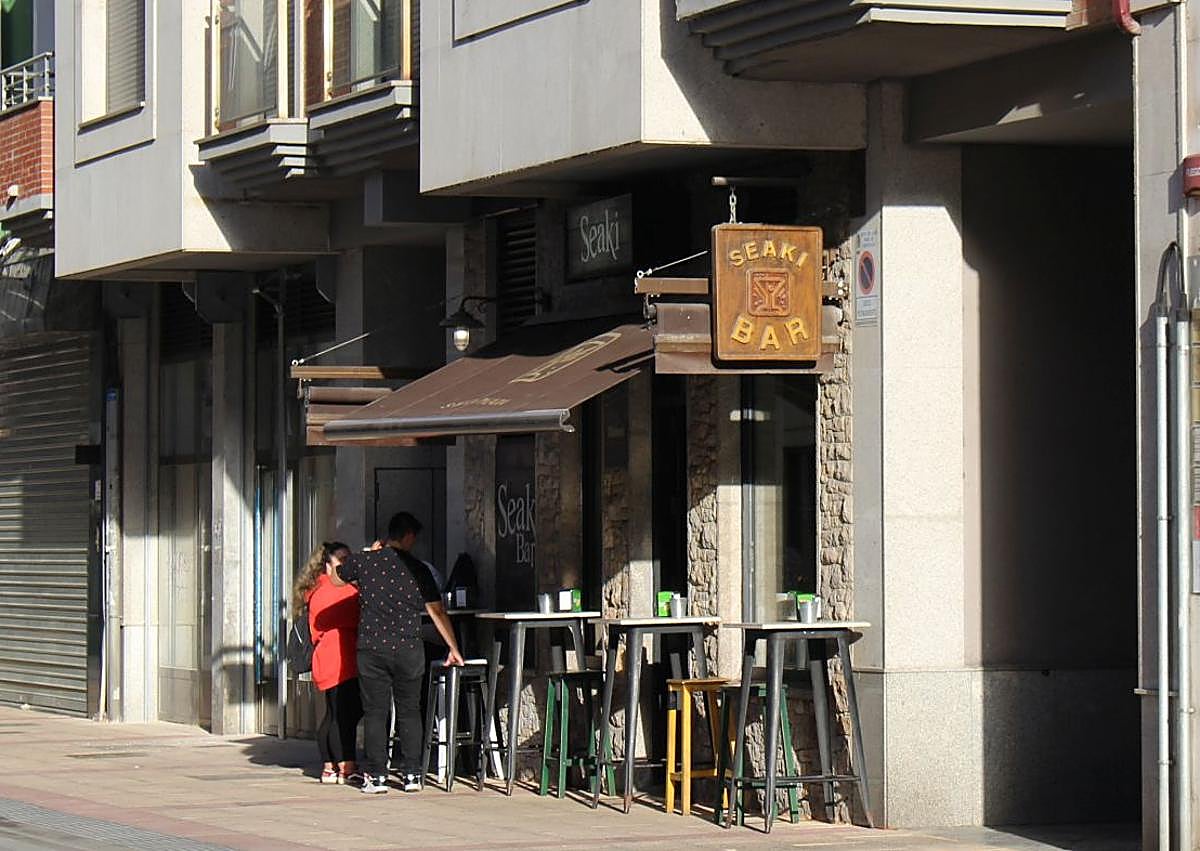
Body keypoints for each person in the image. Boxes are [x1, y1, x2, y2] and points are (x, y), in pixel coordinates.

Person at [336, 512, 465, 795]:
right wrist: (453, 648)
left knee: (375, 712)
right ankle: (411, 775)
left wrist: (369, 551)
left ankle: (378, 776)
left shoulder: (366, 562)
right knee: (409, 711)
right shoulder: (417, 568)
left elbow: (341, 572)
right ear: (408, 536)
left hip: (372, 648)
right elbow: (437, 611)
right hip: (408, 647)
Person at [293, 541, 362, 785]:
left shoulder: (319, 591)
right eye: (341, 560)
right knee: (343, 715)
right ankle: (345, 765)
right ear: (328, 565)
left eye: (349, 558)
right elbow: (353, 615)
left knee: (334, 714)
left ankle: (330, 765)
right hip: (339, 660)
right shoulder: (336, 592)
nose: (347, 564)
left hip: (331, 659)